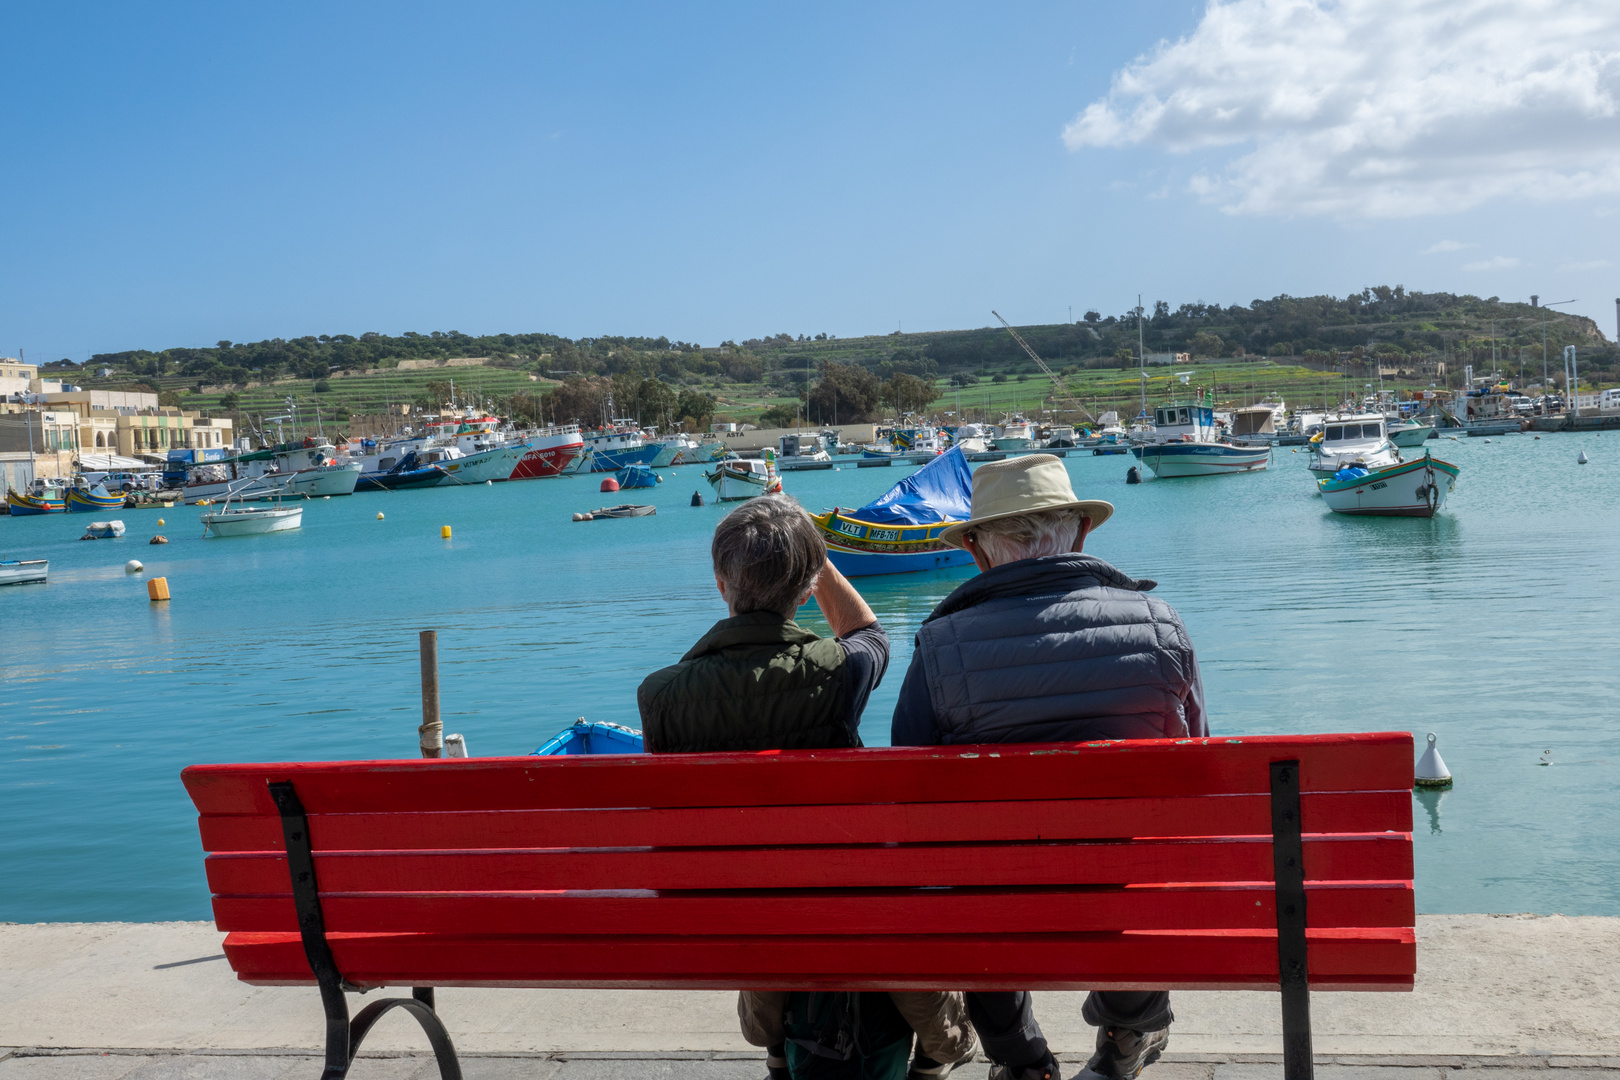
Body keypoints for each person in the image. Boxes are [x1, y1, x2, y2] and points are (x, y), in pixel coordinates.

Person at [889, 455, 1207, 1080]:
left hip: (1000, 905)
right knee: (1139, 853)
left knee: (963, 875)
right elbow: (1196, 773)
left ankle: (1021, 1059)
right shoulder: (1162, 627)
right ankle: (1128, 1031)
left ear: (978, 552)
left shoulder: (938, 649)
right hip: (1127, 895)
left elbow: (911, 804)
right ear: (1082, 534)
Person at [638, 494, 977, 1080]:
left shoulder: (660, 695)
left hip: (734, 907)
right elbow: (868, 631)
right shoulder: (837, 671)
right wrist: (814, 563)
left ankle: (775, 1045)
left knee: (773, 901)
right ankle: (939, 1052)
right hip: (844, 893)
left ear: (721, 583)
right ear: (805, 589)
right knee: (884, 892)